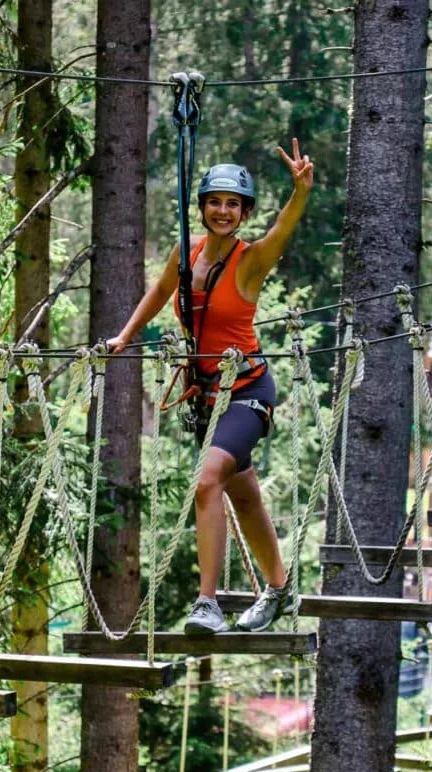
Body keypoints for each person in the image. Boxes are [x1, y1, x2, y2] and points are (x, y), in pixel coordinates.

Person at [108, 139, 314, 633]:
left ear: (243, 213)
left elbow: (283, 228)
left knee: (207, 482)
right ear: (202, 207)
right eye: (215, 202)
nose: (223, 211)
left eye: (233, 204)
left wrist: (301, 190)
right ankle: (280, 590)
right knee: (243, 496)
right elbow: (160, 292)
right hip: (207, 399)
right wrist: (125, 336)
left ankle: (208, 603)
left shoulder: (252, 260)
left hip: (247, 393)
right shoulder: (188, 252)